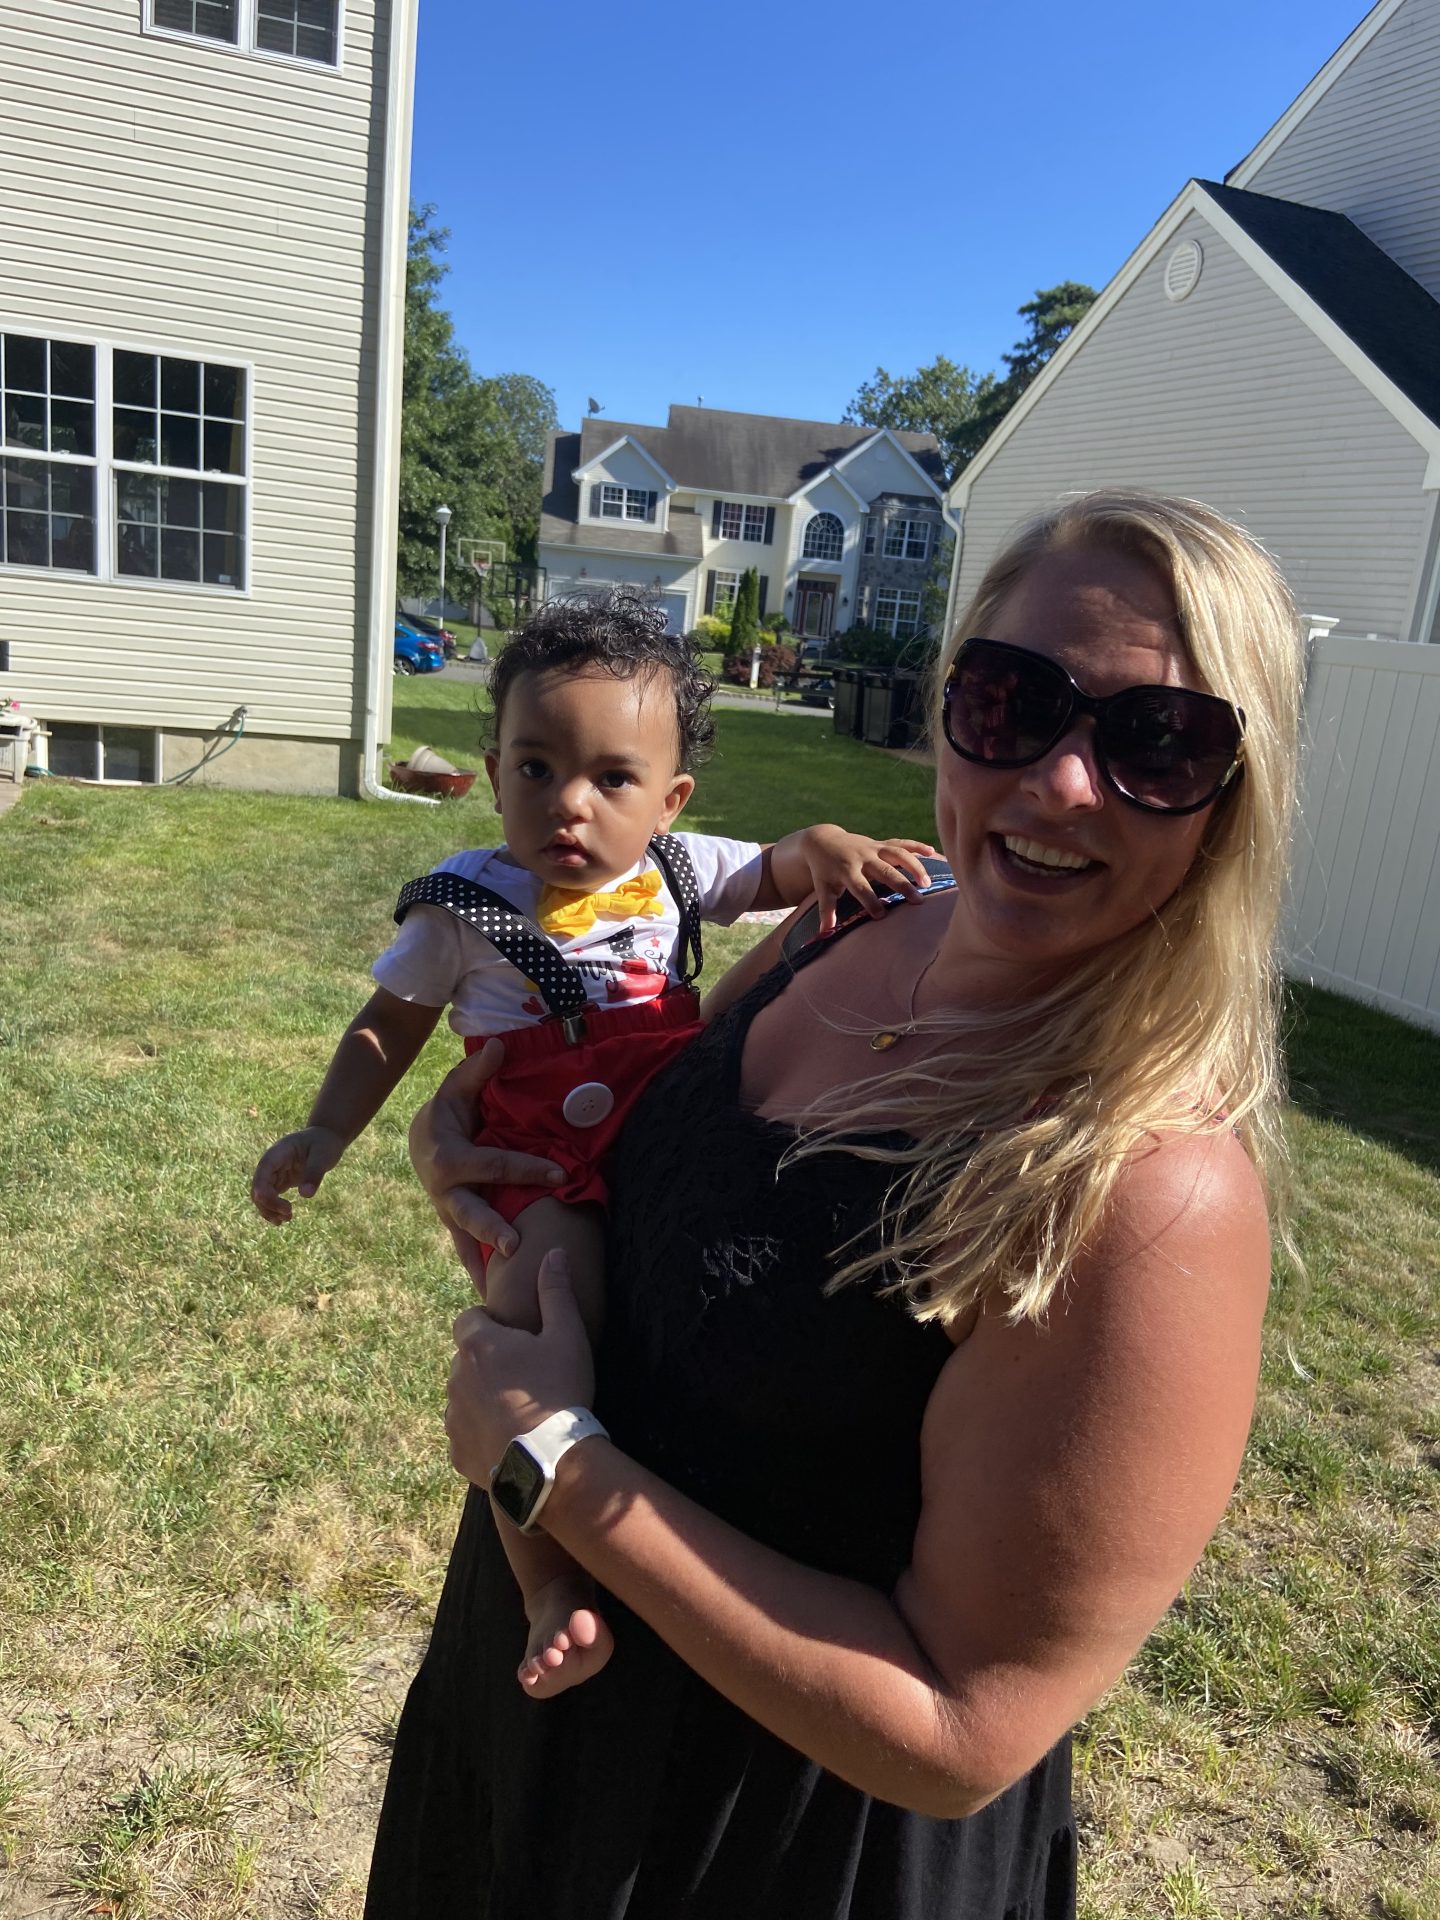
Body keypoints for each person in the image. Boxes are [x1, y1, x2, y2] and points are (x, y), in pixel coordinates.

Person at [363, 492, 1305, 1920]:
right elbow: (639, 1173)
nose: (1060, 782)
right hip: (530, 1741)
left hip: (762, 1849)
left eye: (1156, 742)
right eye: (1011, 700)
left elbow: (962, 1730)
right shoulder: (843, 925)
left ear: (1234, 798)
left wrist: (552, 1465)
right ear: (949, 710)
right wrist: (478, 1162)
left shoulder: (1151, 1190)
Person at [251, 593, 934, 1699]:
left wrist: (831, 849)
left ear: (670, 800)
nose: (569, 804)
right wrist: (327, 1129)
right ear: (493, 771)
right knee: (542, 1334)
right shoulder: (464, 905)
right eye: (536, 768)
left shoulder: (677, 869)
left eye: (613, 779)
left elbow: (781, 867)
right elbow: (388, 1026)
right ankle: (546, 1583)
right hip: (541, 1164)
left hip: (668, 1131)